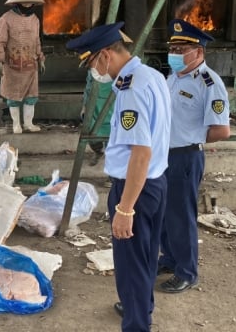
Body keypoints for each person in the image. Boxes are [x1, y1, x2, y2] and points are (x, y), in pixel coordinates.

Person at [67, 22, 171, 331]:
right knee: (146, 253)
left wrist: (126, 209)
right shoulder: (151, 75)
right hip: (155, 183)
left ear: (105, 55)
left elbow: (140, 153)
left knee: (131, 263)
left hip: (135, 188)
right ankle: (141, 305)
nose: (92, 72)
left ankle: (137, 323)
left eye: (91, 64)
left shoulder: (131, 89)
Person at [158, 19, 231, 294]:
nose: (174, 54)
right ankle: (170, 259)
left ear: (198, 52)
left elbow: (222, 130)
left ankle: (187, 272)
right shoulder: (173, 77)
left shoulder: (209, 83)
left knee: (181, 216)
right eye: (173, 48)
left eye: (181, 49)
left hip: (185, 158)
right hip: (163, 156)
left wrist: (192, 140)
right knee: (164, 213)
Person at [0, 0, 46, 134]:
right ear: (18, 3)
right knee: (14, 97)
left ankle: (28, 123)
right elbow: (0, 41)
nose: (28, 5)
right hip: (12, 66)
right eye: (25, 3)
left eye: (31, 3)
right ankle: (16, 124)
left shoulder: (35, 19)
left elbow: (37, 41)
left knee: (31, 96)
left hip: (31, 65)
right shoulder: (6, 19)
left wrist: (40, 58)